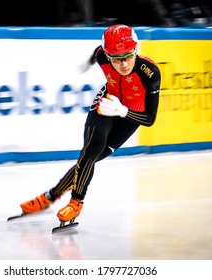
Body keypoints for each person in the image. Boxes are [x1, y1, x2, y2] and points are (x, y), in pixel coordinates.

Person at [19, 24, 161, 228]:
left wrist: (124, 111)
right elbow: (97, 53)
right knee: (91, 149)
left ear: (136, 50)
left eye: (128, 56)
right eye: (116, 59)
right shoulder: (103, 55)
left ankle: (49, 196)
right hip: (107, 101)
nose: (123, 64)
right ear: (108, 55)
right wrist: (88, 62)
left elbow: (150, 119)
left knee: (94, 157)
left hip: (130, 116)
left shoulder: (150, 73)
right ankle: (76, 203)